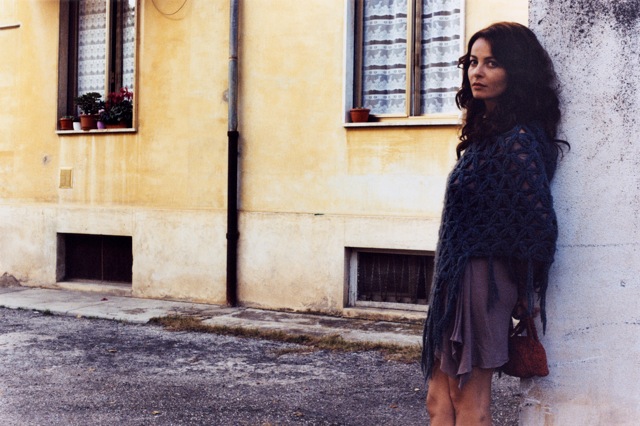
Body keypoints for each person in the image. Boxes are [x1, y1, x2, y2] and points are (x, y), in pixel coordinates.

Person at [421, 22, 569, 425]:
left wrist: (526, 288)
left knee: (469, 402)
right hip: (455, 277)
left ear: (516, 71)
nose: (478, 72)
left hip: (483, 280)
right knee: (439, 400)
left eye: (492, 63)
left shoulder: (518, 140)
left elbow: (537, 222)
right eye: (473, 62)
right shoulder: (486, 136)